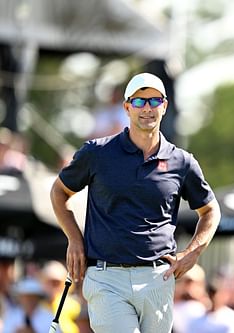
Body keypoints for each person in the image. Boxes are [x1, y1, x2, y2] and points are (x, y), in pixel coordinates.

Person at [50, 72, 221, 333]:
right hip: (106, 277)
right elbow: (59, 193)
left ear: (165, 106)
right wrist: (74, 238)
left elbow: (210, 211)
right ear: (126, 107)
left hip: (158, 279)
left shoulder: (182, 162)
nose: (147, 108)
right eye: (139, 102)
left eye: (154, 101)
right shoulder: (97, 153)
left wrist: (193, 252)